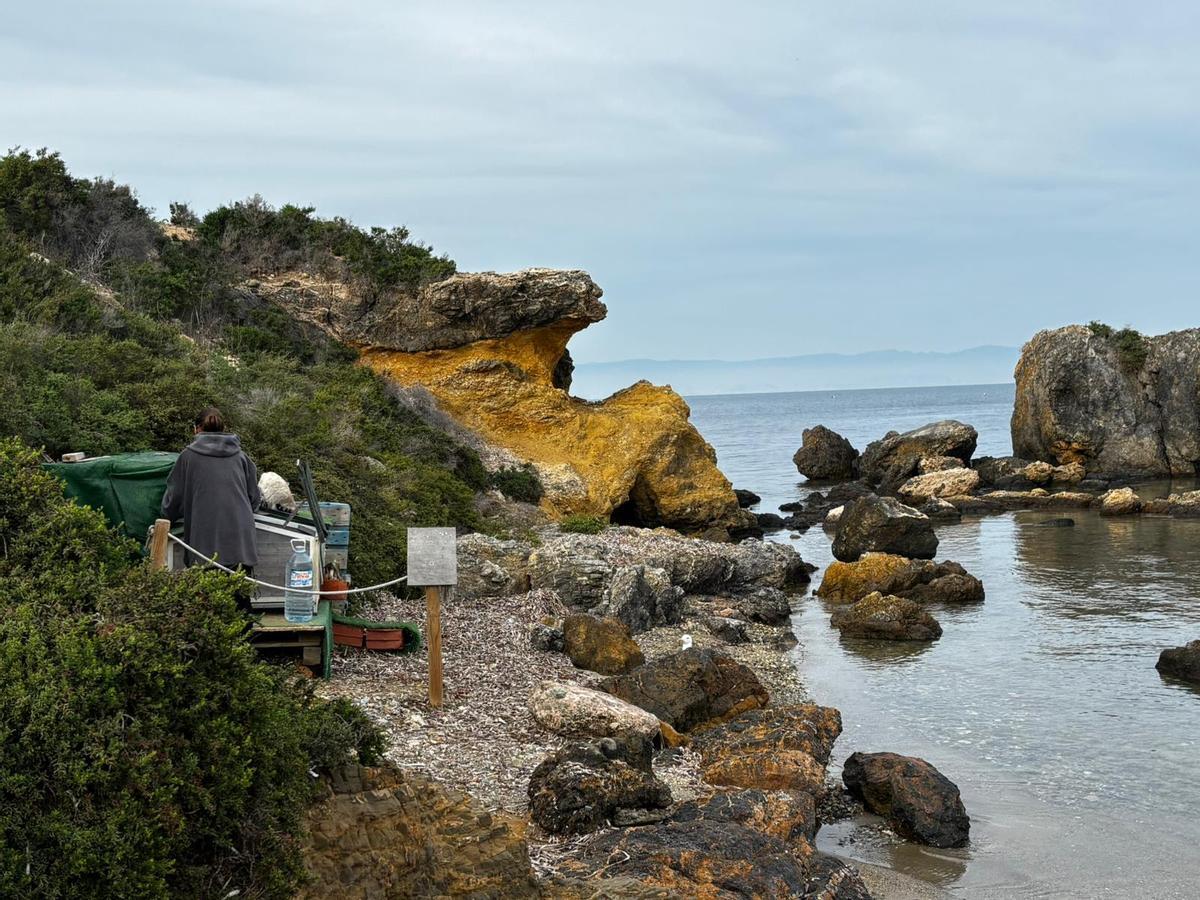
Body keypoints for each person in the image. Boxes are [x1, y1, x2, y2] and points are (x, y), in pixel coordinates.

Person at [161, 407, 262, 578]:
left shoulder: (187, 457)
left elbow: (173, 501)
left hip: (204, 545)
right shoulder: (241, 457)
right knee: (240, 592)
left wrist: (165, 517)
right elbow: (254, 499)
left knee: (207, 593)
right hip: (241, 544)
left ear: (196, 429)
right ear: (223, 428)